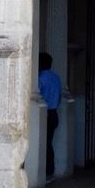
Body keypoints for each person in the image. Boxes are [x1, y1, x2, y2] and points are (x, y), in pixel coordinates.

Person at [38, 52, 62, 181]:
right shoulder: (56, 77)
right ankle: (49, 171)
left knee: (43, 143)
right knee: (49, 142)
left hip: (44, 113)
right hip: (54, 113)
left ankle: (45, 171)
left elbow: (38, 96)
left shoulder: (40, 78)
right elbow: (60, 96)